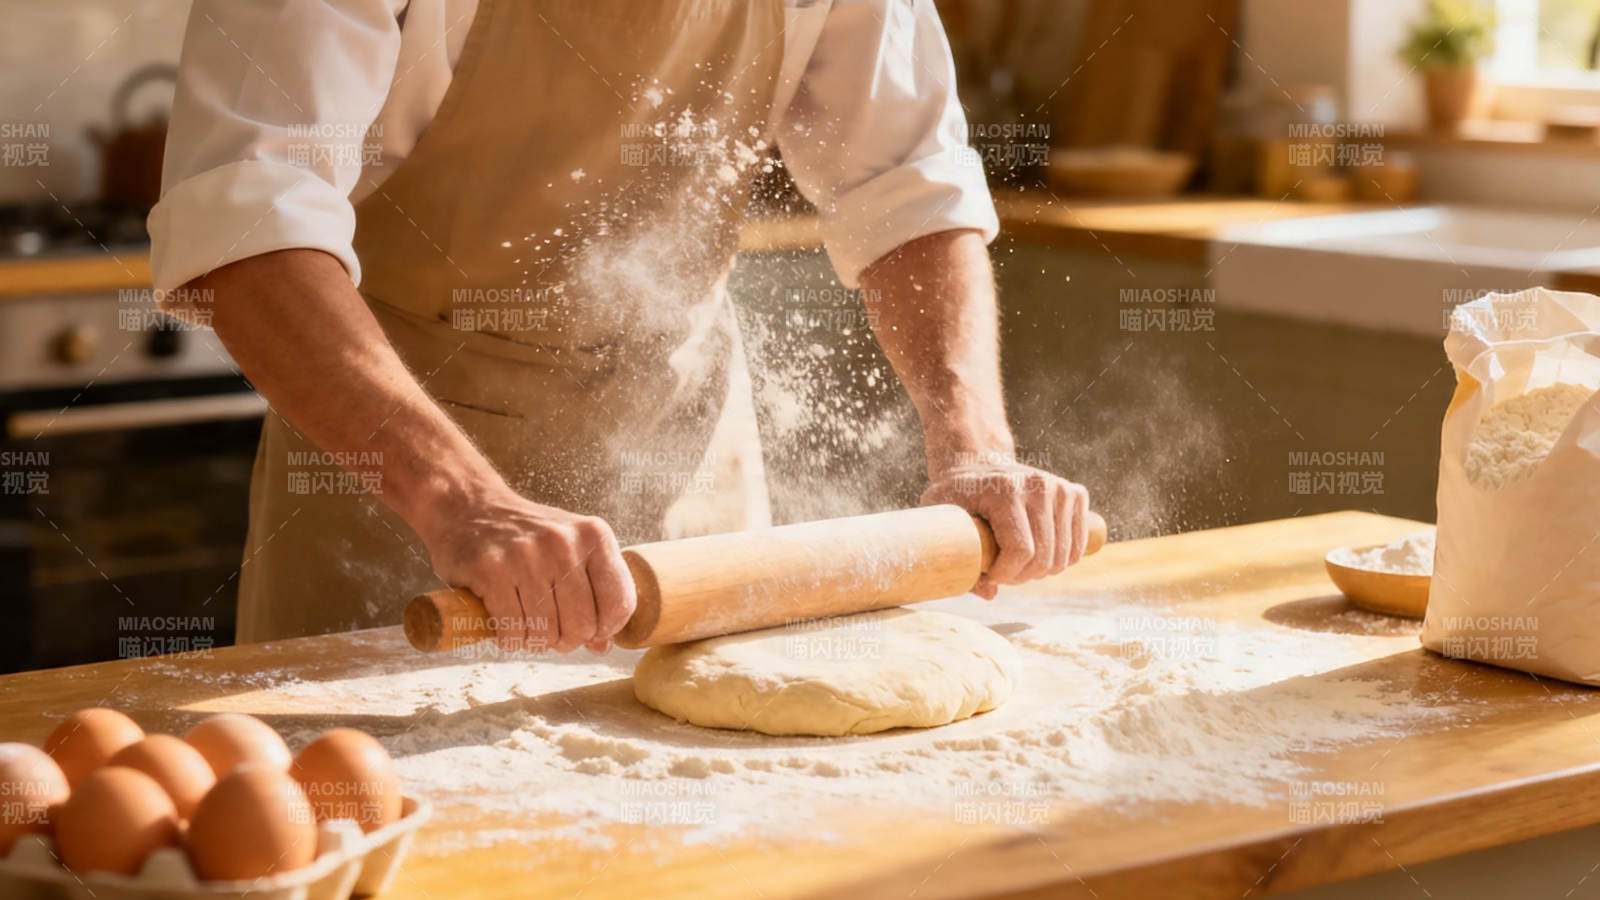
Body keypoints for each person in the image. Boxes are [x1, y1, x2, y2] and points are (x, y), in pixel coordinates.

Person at [150, 0, 1092, 653]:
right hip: (403, 494)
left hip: (690, 477)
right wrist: (467, 505)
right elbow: (248, 227)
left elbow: (907, 185)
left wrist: (976, 448)